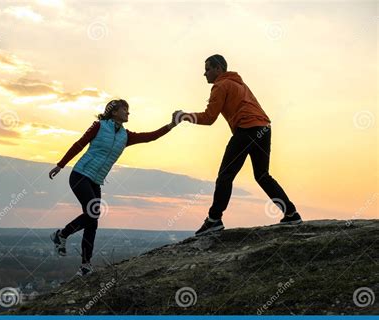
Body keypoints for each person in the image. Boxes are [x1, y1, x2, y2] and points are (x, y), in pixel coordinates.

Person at [174, 54, 302, 236]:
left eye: (208, 68)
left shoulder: (221, 85)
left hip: (246, 129)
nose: (204, 74)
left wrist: (183, 116)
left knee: (225, 175)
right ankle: (291, 213)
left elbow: (209, 118)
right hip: (264, 129)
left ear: (218, 69)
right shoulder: (240, 84)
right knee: (262, 175)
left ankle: (214, 220)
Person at [49, 99, 178, 276]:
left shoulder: (126, 136)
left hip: (96, 180)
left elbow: (150, 137)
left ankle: (85, 265)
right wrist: (60, 165)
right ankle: (62, 235)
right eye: (125, 109)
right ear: (113, 112)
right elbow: (79, 144)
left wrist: (171, 124)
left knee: (92, 221)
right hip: (80, 175)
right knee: (93, 213)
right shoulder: (99, 126)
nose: (128, 113)